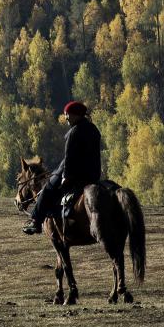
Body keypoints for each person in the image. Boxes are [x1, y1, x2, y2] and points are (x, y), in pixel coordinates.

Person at [23, 101, 101, 235]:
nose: (66, 118)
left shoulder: (74, 132)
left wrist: (65, 176)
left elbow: (69, 158)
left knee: (47, 188)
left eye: (67, 114)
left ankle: (35, 221)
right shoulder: (94, 129)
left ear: (76, 115)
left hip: (75, 174)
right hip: (93, 174)